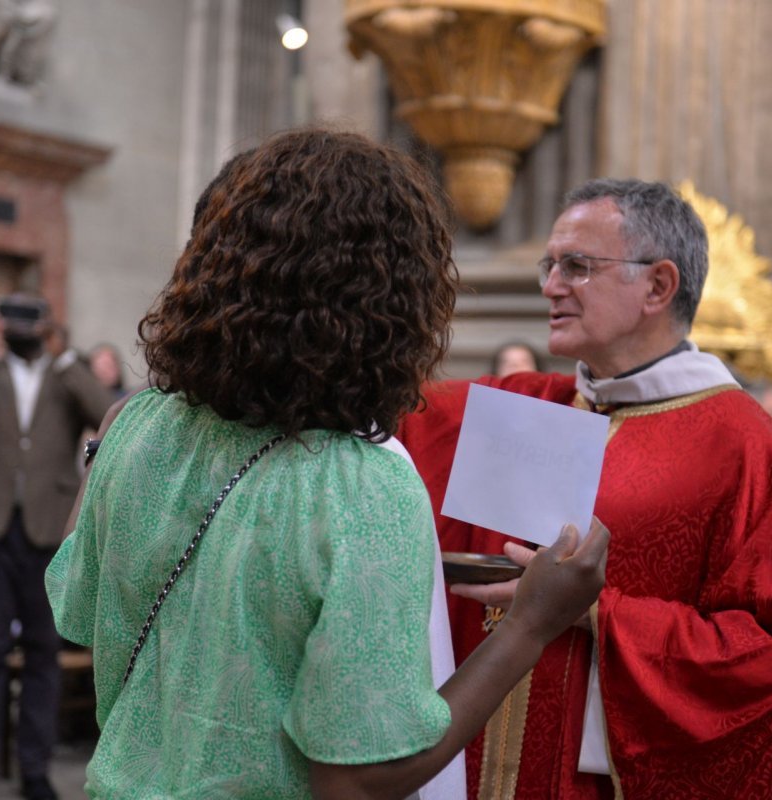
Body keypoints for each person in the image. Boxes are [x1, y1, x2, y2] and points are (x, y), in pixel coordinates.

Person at [45, 129, 609, 800]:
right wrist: (528, 627)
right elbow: (359, 783)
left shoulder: (137, 423)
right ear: (392, 300)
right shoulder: (360, 484)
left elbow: (74, 611)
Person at [397, 179, 772, 798]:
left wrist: (601, 613)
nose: (549, 285)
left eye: (576, 267)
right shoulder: (535, 408)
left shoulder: (738, 441)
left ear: (657, 285)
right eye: (550, 265)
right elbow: (390, 412)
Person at [0, 295, 113, 800]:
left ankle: (35, 769)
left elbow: (106, 414)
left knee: (42, 653)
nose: (21, 329)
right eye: (13, 321)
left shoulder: (64, 372)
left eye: (30, 321)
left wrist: (63, 357)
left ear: (46, 325)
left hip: (47, 532)